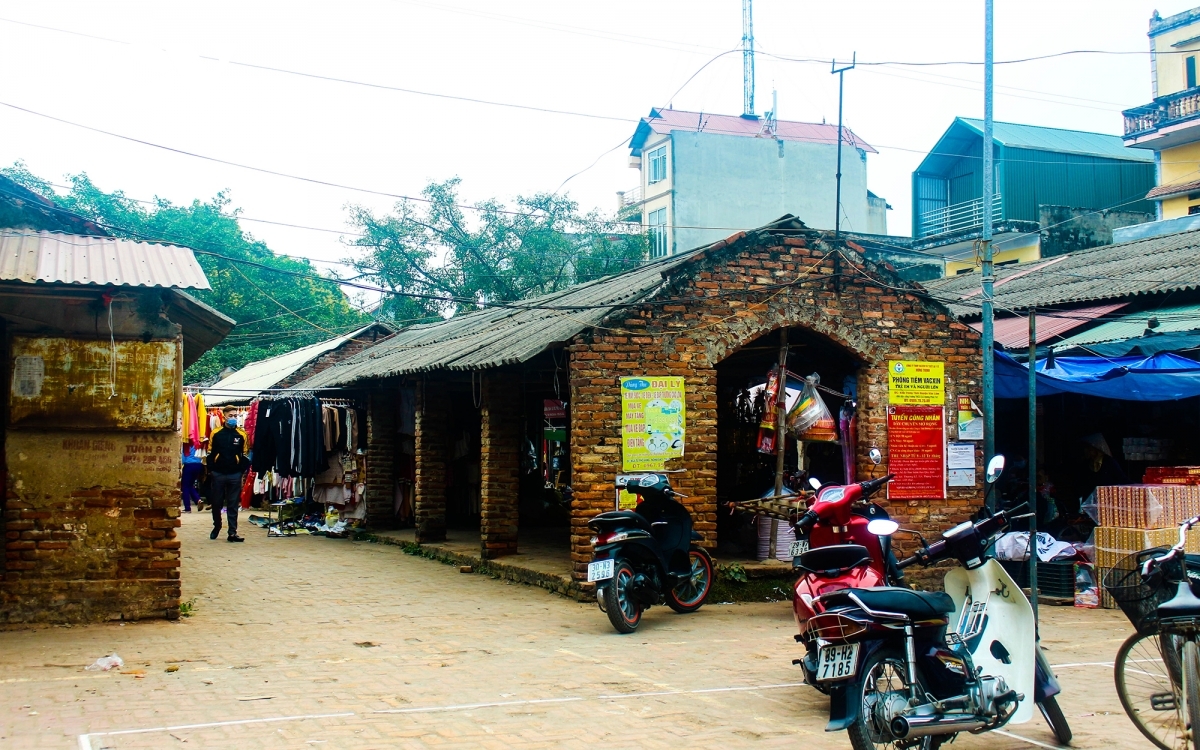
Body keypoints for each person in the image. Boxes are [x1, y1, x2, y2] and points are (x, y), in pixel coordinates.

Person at [207, 408, 249, 542]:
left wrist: (240, 471)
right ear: (224, 416)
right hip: (218, 473)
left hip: (234, 474)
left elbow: (246, 454)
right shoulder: (216, 433)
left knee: (233, 504)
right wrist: (212, 469)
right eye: (230, 415)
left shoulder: (241, 434)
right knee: (216, 503)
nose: (233, 418)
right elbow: (209, 453)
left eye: (235, 415)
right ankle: (217, 525)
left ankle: (232, 532)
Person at [181, 444, 204, 513]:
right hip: (198, 465)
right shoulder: (197, 443)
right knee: (190, 485)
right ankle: (198, 500)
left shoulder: (186, 444)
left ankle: (187, 508)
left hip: (189, 465)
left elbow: (183, 457)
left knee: (185, 486)